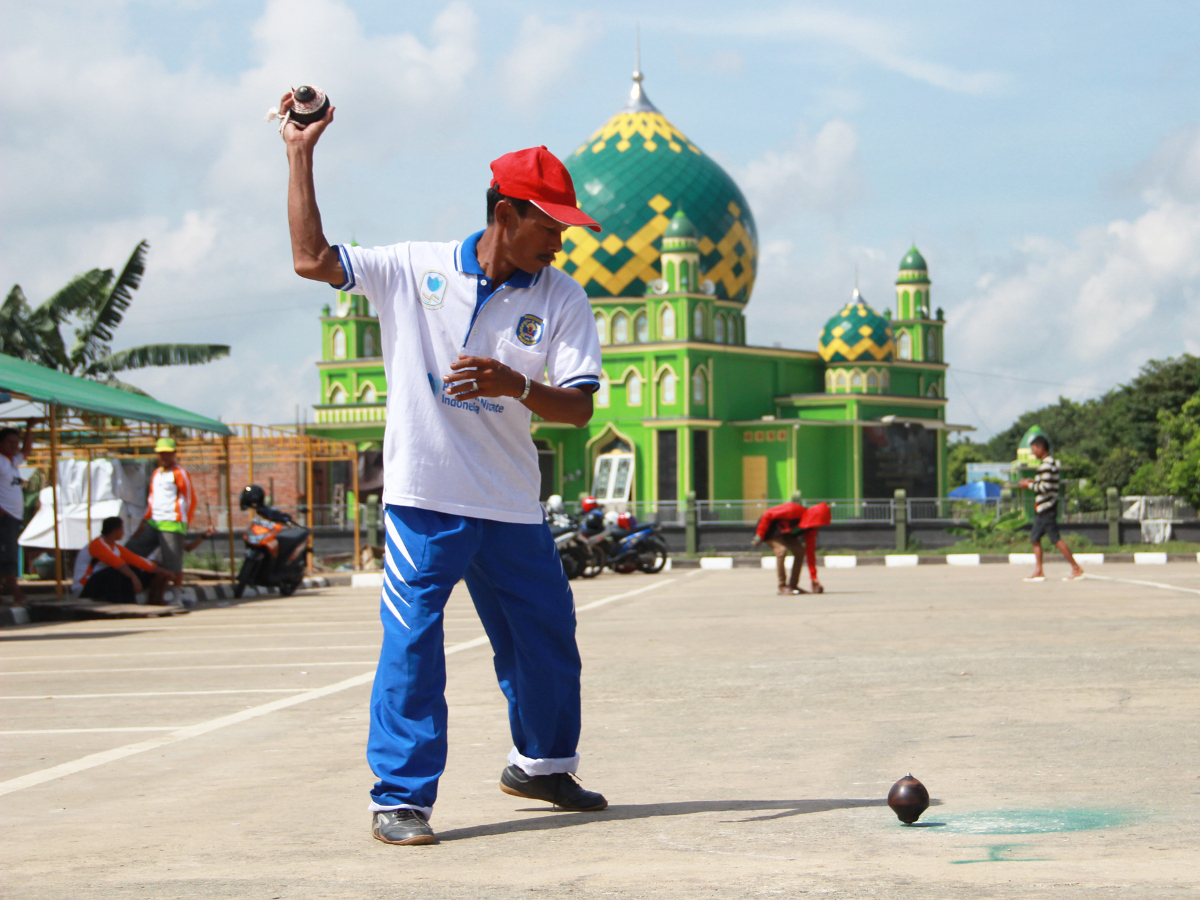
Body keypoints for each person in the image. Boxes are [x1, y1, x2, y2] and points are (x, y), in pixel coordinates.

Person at [280, 91, 606, 846]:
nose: (560, 242)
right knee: (414, 640)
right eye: (549, 226)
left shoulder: (562, 299)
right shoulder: (412, 269)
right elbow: (310, 259)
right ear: (507, 214)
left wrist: (513, 384)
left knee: (547, 639)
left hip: (513, 506)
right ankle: (401, 798)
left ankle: (542, 764)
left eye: (565, 229)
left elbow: (580, 409)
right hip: (426, 500)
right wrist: (301, 153)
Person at [128, 437, 196, 602]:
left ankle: (177, 596)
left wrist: (185, 522)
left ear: (174, 454)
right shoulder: (157, 473)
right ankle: (137, 588)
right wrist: (144, 521)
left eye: (167, 454)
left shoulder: (179, 473)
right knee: (132, 550)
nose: (164, 457)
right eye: (161, 454)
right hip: (154, 521)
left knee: (173, 563)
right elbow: (151, 499)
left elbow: (190, 499)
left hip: (172, 522)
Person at [1018, 435, 1084, 582]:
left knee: (1055, 539)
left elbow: (1045, 487)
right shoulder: (1046, 465)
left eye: (1034, 449)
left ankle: (1075, 568)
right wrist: (1032, 481)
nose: (1033, 452)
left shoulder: (1047, 465)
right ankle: (1039, 570)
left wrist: (1028, 485)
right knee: (1035, 538)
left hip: (1047, 508)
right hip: (1042, 509)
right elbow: (1044, 483)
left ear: (1041, 448)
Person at [76, 517, 172, 605]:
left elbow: (137, 560)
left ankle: (150, 601)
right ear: (116, 530)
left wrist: (163, 571)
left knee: (134, 569)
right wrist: (134, 578)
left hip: (100, 583)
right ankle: (116, 602)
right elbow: (117, 563)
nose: (123, 532)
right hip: (84, 586)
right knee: (118, 572)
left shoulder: (116, 547)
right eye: (122, 529)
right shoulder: (97, 544)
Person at [752, 500, 830, 595]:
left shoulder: (811, 530)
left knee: (800, 552)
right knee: (781, 551)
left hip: (785, 534)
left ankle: (793, 586)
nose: (815, 525)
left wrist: (814, 579)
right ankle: (782, 586)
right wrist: (760, 534)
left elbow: (810, 553)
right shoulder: (794, 509)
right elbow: (768, 514)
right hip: (769, 530)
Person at [0, 421, 37, 606]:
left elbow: (27, 451)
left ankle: (13, 592)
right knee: (8, 556)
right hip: (5, 518)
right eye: (9, 442)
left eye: (16, 442)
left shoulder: (12, 462)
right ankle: (16, 592)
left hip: (13, 518)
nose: (14, 445)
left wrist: (29, 429)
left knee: (9, 554)